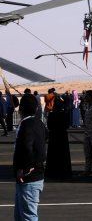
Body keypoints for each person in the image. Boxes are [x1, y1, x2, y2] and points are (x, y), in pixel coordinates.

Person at [13, 93, 46, 221]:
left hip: (28, 179)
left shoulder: (25, 125)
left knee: (27, 216)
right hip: (34, 177)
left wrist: (25, 169)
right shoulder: (39, 123)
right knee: (21, 216)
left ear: (21, 109)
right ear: (36, 108)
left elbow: (28, 148)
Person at [45, 96, 72, 180]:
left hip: (53, 136)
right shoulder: (65, 114)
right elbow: (67, 125)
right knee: (63, 154)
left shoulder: (51, 114)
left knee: (53, 154)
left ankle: (52, 172)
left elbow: (49, 125)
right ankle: (64, 171)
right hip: (62, 136)